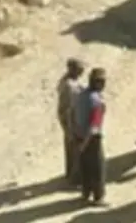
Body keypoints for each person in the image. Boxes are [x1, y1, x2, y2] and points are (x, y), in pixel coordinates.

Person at [76, 67, 108, 205]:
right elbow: (94, 125)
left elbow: (72, 114)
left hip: (80, 135)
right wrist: (85, 143)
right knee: (97, 168)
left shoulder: (81, 95)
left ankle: (85, 193)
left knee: (85, 167)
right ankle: (98, 197)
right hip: (92, 139)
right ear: (97, 82)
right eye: (102, 81)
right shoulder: (97, 101)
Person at [57, 57, 85, 185]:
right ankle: (75, 177)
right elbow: (65, 107)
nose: (82, 70)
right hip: (71, 121)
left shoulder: (71, 82)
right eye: (80, 68)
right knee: (75, 149)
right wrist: (68, 127)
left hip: (74, 120)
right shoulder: (68, 86)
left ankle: (72, 175)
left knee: (72, 149)